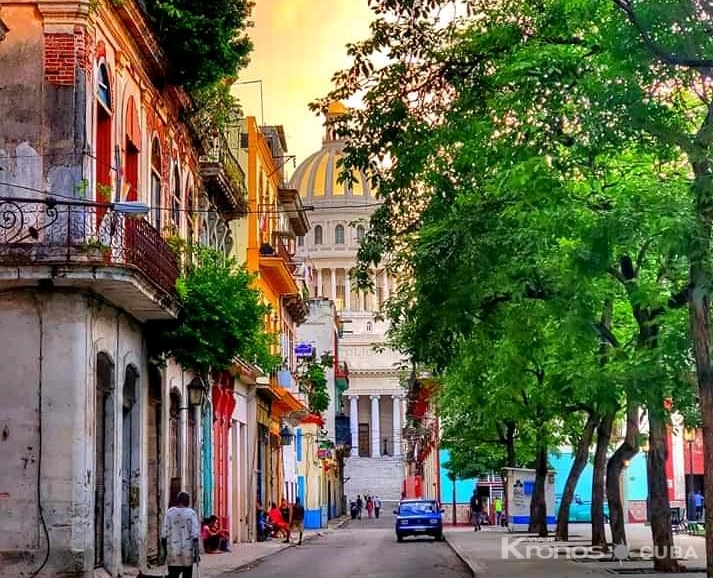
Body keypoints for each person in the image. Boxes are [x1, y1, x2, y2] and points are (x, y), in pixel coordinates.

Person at [161, 492, 200, 578]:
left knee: (173, 575)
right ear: (188, 502)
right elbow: (195, 535)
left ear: (177, 501)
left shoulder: (169, 512)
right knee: (187, 575)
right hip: (187, 552)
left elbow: (164, 534)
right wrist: (197, 554)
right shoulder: (191, 513)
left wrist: (165, 552)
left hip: (173, 552)